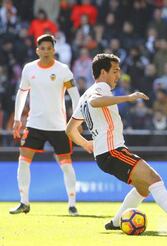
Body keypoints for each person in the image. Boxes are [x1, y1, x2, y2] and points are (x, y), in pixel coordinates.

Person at [65, 53, 167, 232]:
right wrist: (128, 98)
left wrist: (86, 144)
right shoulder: (98, 90)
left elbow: (70, 129)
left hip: (107, 153)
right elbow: (96, 102)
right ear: (102, 72)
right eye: (115, 71)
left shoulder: (84, 95)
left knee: (143, 188)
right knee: (154, 179)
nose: (118, 76)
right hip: (112, 151)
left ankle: (116, 222)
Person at [9, 34, 80, 216]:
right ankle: (24, 202)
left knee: (66, 164)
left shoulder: (63, 70)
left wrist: (78, 119)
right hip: (34, 124)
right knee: (23, 161)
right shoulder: (29, 69)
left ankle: (72, 204)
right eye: (43, 48)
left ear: (54, 50)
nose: (46, 51)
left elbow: (74, 95)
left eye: (49, 48)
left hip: (58, 126)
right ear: (37, 50)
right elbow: (22, 93)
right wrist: (18, 118)